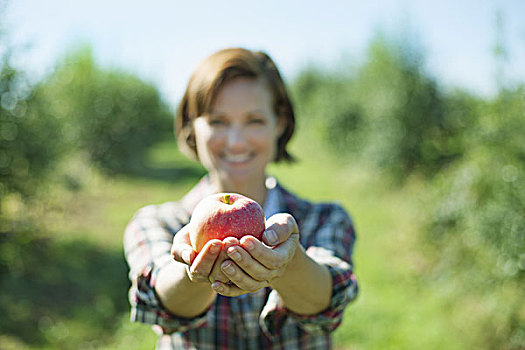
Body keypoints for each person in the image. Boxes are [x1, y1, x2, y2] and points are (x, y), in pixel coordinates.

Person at [124, 48, 359, 349]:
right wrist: (193, 267)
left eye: (255, 120)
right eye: (218, 122)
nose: (236, 142)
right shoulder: (157, 222)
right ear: (191, 127)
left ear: (281, 123)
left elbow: (325, 307)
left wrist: (287, 262)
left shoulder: (325, 219)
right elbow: (165, 307)